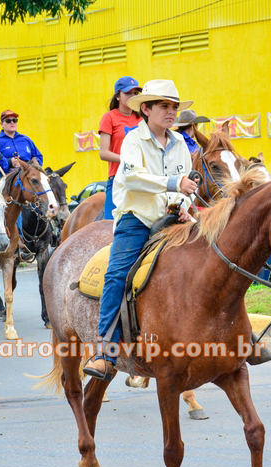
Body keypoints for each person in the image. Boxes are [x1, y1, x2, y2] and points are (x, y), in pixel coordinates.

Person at [83, 80, 197, 380]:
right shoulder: (133, 140)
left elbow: (188, 185)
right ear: (145, 109)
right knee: (117, 275)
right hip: (137, 219)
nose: (171, 112)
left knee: (214, 258)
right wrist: (174, 184)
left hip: (173, 218)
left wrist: (185, 205)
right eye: (164, 106)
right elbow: (133, 179)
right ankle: (105, 353)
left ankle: (241, 337)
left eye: (174, 107)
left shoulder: (180, 143)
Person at [98, 76, 142, 220]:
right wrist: (128, 160)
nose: (132, 96)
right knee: (110, 225)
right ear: (118, 96)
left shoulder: (143, 119)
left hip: (142, 179)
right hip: (118, 179)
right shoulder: (109, 118)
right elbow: (104, 153)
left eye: (136, 93)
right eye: (128, 93)